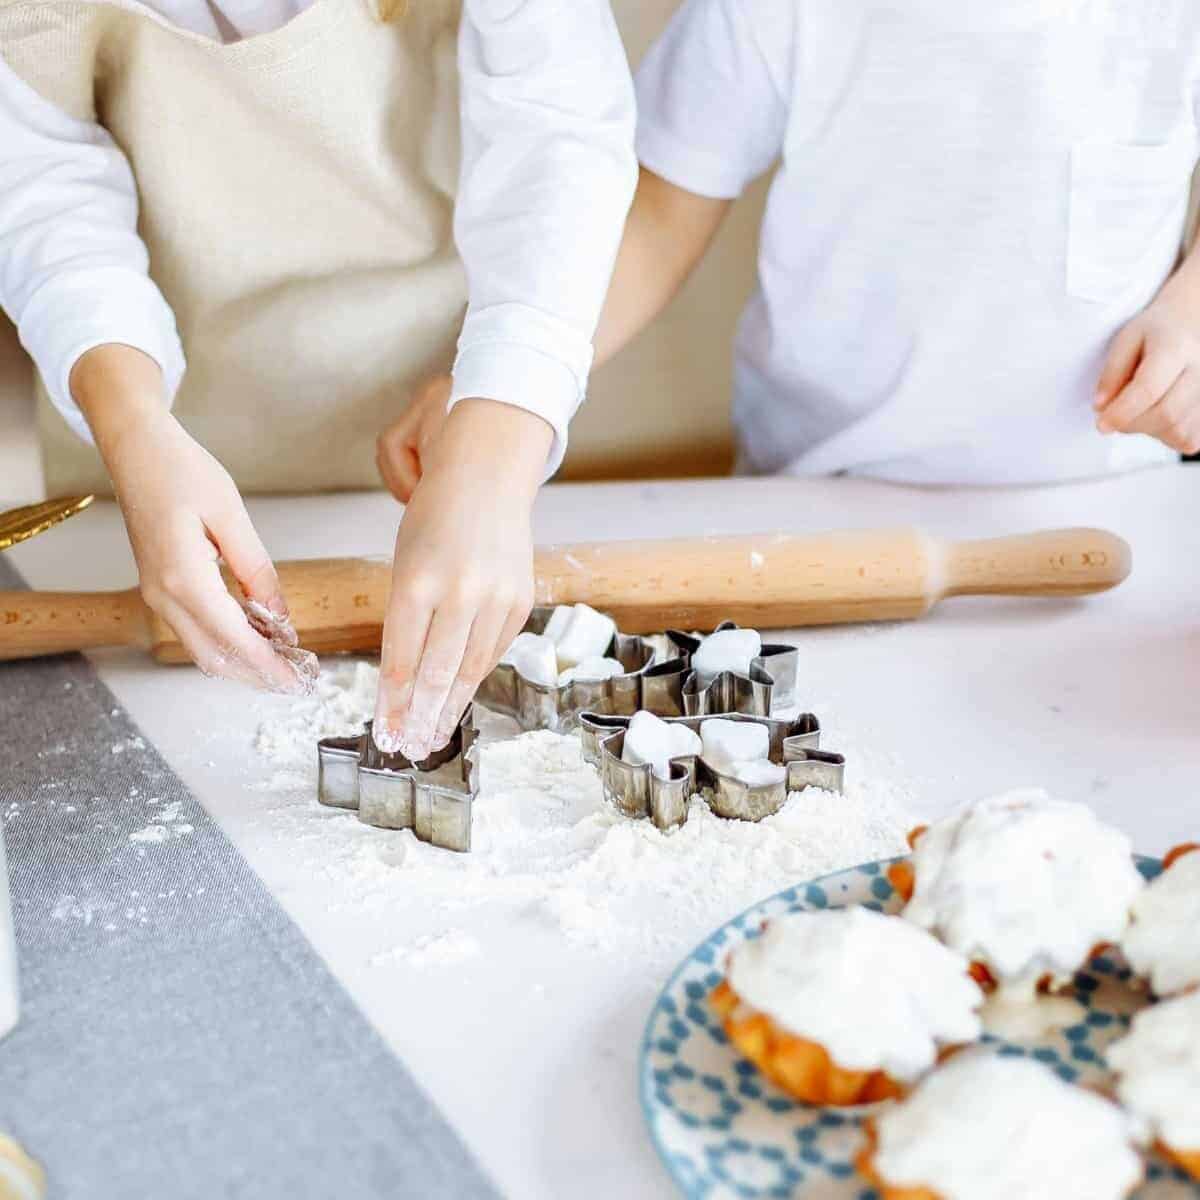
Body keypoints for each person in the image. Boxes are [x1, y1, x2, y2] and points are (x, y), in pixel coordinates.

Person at [0, 0, 636, 762]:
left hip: (462, 384)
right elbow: (40, 184)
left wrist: (497, 442)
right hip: (170, 419)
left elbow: (557, 126)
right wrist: (133, 423)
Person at [392, 2, 1200, 493]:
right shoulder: (775, 8)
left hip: (1108, 496)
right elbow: (658, 221)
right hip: (819, 493)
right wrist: (503, 388)